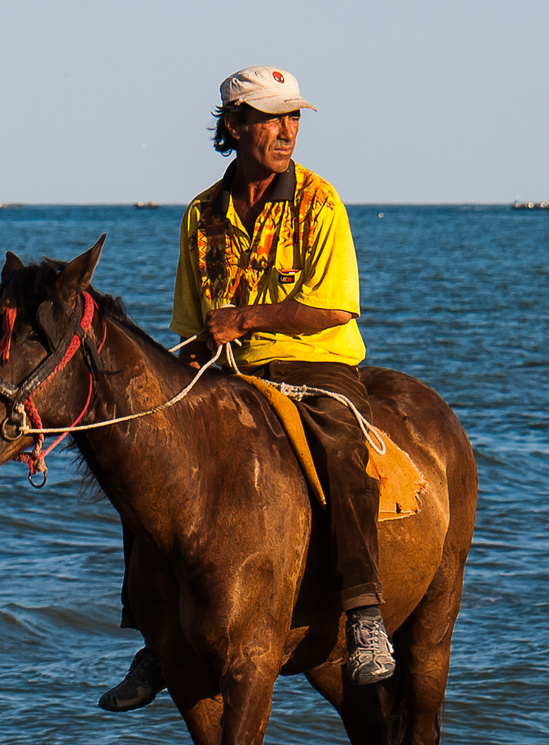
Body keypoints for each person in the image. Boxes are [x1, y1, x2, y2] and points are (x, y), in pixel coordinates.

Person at [99, 64, 395, 712]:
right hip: (229, 369)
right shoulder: (200, 214)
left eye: (292, 117)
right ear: (234, 126)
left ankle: (365, 614)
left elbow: (337, 310)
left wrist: (247, 318)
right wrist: (192, 352)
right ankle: (154, 636)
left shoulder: (321, 202)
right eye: (270, 117)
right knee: (145, 453)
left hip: (312, 363)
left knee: (342, 450)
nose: (286, 131)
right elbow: (189, 321)